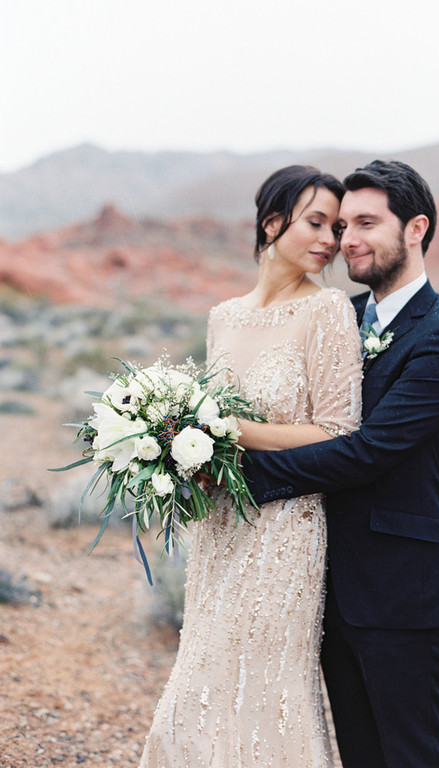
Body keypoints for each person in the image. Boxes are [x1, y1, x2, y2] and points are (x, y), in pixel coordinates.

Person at [242, 160, 439, 768]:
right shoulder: (336, 316)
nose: (348, 240)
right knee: (359, 755)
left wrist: (247, 477)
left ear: (416, 228)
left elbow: (370, 451)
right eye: (343, 224)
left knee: (411, 755)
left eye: (367, 223)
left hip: (402, 586)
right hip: (326, 581)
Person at [138, 165, 363, 767]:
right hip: (219, 525)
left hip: (286, 530)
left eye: (336, 228)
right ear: (272, 222)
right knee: (200, 680)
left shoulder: (329, 311)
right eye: (316, 222)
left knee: (266, 686)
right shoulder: (224, 317)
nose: (329, 240)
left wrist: (227, 431)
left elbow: (338, 431)